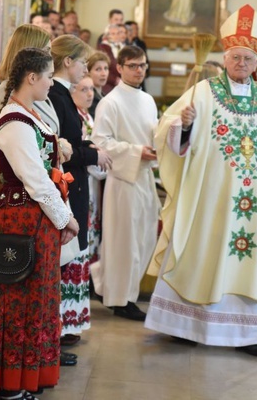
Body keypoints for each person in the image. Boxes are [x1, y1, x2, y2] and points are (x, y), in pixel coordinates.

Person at [145, 4, 257, 358]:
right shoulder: (203, 91)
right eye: (234, 57)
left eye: (247, 58)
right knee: (201, 250)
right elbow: (167, 132)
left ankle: (247, 335)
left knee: (246, 258)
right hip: (210, 197)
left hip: (252, 201)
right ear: (225, 57)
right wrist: (183, 125)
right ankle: (185, 326)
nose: (241, 63)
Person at [0, 47, 79, 400]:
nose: (51, 82)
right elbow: (35, 179)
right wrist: (65, 218)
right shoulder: (13, 121)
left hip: (34, 217)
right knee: (19, 299)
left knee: (38, 299)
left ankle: (29, 377)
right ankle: (11, 387)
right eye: (48, 75)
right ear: (32, 77)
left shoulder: (27, 113)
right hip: (21, 218)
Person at [48, 35, 112, 347]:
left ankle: (67, 326)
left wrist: (87, 148)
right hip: (65, 185)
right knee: (67, 257)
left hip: (73, 184)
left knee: (76, 254)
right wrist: (92, 154)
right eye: (83, 61)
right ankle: (60, 329)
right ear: (68, 61)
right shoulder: (57, 97)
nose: (86, 67)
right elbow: (61, 149)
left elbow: (72, 142)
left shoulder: (61, 96)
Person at [90, 45, 160, 321]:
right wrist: (135, 151)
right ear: (119, 68)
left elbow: (154, 133)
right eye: (132, 65)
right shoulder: (110, 101)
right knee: (124, 242)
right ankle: (121, 299)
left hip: (144, 176)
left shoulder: (148, 100)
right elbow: (100, 142)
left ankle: (111, 286)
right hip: (123, 180)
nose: (139, 70)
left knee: (143, 238)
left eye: (142, 65)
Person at [71, 75, 107, 263]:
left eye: (91, 89)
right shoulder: (75, 118)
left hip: (94, 178)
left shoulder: (88, 116)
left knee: (93, 223)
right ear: (72, 91)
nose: (90, 94)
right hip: (85, 176)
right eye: (83, 89)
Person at [99, 23, 127, 94]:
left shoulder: (123, 47)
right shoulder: (103, 47)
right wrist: (115, 80)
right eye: (113, 34)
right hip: (108, 84)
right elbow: (102, 68)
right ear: (107, 36)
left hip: (123, 82)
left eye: (118, 33)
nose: (116, 36)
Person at [87, 51, 109, 117]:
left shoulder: (104, 95)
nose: (103, 73)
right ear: (88, 72)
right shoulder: (89, 97)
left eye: (106, 68)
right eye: (98, 69)